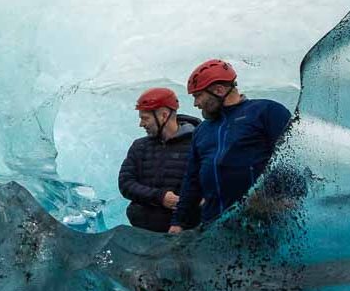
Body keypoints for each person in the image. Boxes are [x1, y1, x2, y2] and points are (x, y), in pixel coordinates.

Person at [169, 59, 292, 233]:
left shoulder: (267, 111)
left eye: (198, 96)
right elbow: (192, 180)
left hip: (263, 223)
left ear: (219, 90)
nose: (196, 104)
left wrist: (280, 198)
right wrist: (178, 223)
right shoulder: (202, 130)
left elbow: (294, 157)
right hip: (215, 227)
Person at [118, 87, 200, 233]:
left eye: (145, 118)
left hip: (184, 235)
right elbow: (126, 184)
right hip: (142, 233)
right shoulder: (140, 146)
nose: (141, 124)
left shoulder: (197, 144)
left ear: (163, 115)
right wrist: (160, 197)